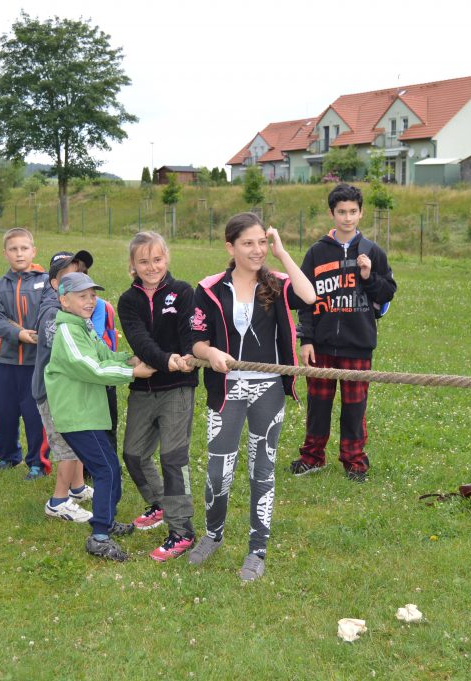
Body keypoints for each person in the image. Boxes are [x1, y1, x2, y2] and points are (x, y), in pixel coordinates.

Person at [186, 213, 317, 581]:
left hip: (268, 390)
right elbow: (195, 340)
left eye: (262, 242)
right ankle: (213, 535)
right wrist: (210, 353)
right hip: (226, 390)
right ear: (230, 247)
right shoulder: (209, 288)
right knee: (219, 471)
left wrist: (282, 253)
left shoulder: (277, 284)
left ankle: (257, 550)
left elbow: (310, 296)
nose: (257, 250)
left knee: (263, 471)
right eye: (248, 243)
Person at [288, 183, 397, 483]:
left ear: (361, 213)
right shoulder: (317, 252)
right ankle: (312, 457)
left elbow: (387, 293)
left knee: (354, 407)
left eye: (352, 212)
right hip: (321, 345)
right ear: (332, 214)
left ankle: (354, 460)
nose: (347, 218)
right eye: (341, 212)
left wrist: (368, 276)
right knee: (318, 404)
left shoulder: (373, 251)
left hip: (358, 344)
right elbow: (304, 299)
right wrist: (306, 339)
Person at [45, 272, 156, 561]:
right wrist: (132, 371)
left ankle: (105, 520)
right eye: (82, 296)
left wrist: (128, 358)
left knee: (110, 469)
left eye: (93, 295)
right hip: (77, 417)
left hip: (90, 415)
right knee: (106, 470)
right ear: (64, 300)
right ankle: (99, 536)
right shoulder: (67, 332)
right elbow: (89, 367)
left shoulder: (83, 327)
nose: (90, 301)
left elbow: (104, 356)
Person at [116, 231, 199, 561]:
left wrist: (186, 356)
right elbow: (139, 341)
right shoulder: (128, 301)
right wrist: (165, 360)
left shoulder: (183, 292)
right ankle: (161, 503)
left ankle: (182, 530)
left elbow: (189, 332)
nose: (152, 267)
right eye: (144, 261)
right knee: (133, 454)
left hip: (178, 387)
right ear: (132, 265)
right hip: (144, 387)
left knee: (173, 458)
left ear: (167, 259)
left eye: (157, 259)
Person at [32, 251, 97, 523]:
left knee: (78, 438)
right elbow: (68, 351)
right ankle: (58, 502)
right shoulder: (53, 312)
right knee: (67, 445)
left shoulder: (77, 308)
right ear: (56, 285)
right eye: (70, 277)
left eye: (81, 274)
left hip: (72, 390)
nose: (78, 281)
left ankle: (77, 487)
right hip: (54, 393)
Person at [0, 228, 49, 479]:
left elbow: (49, 311)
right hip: (4, 361)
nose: (19, 253)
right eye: (13, 249)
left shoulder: (46, 282)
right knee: (4, 411)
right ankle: (8, 455)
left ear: (33, 251)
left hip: (35, 362)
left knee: (35, 414)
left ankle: (38, 462)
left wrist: (38, 333)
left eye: (24, 248)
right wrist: (19, 334)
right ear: (5, 253)